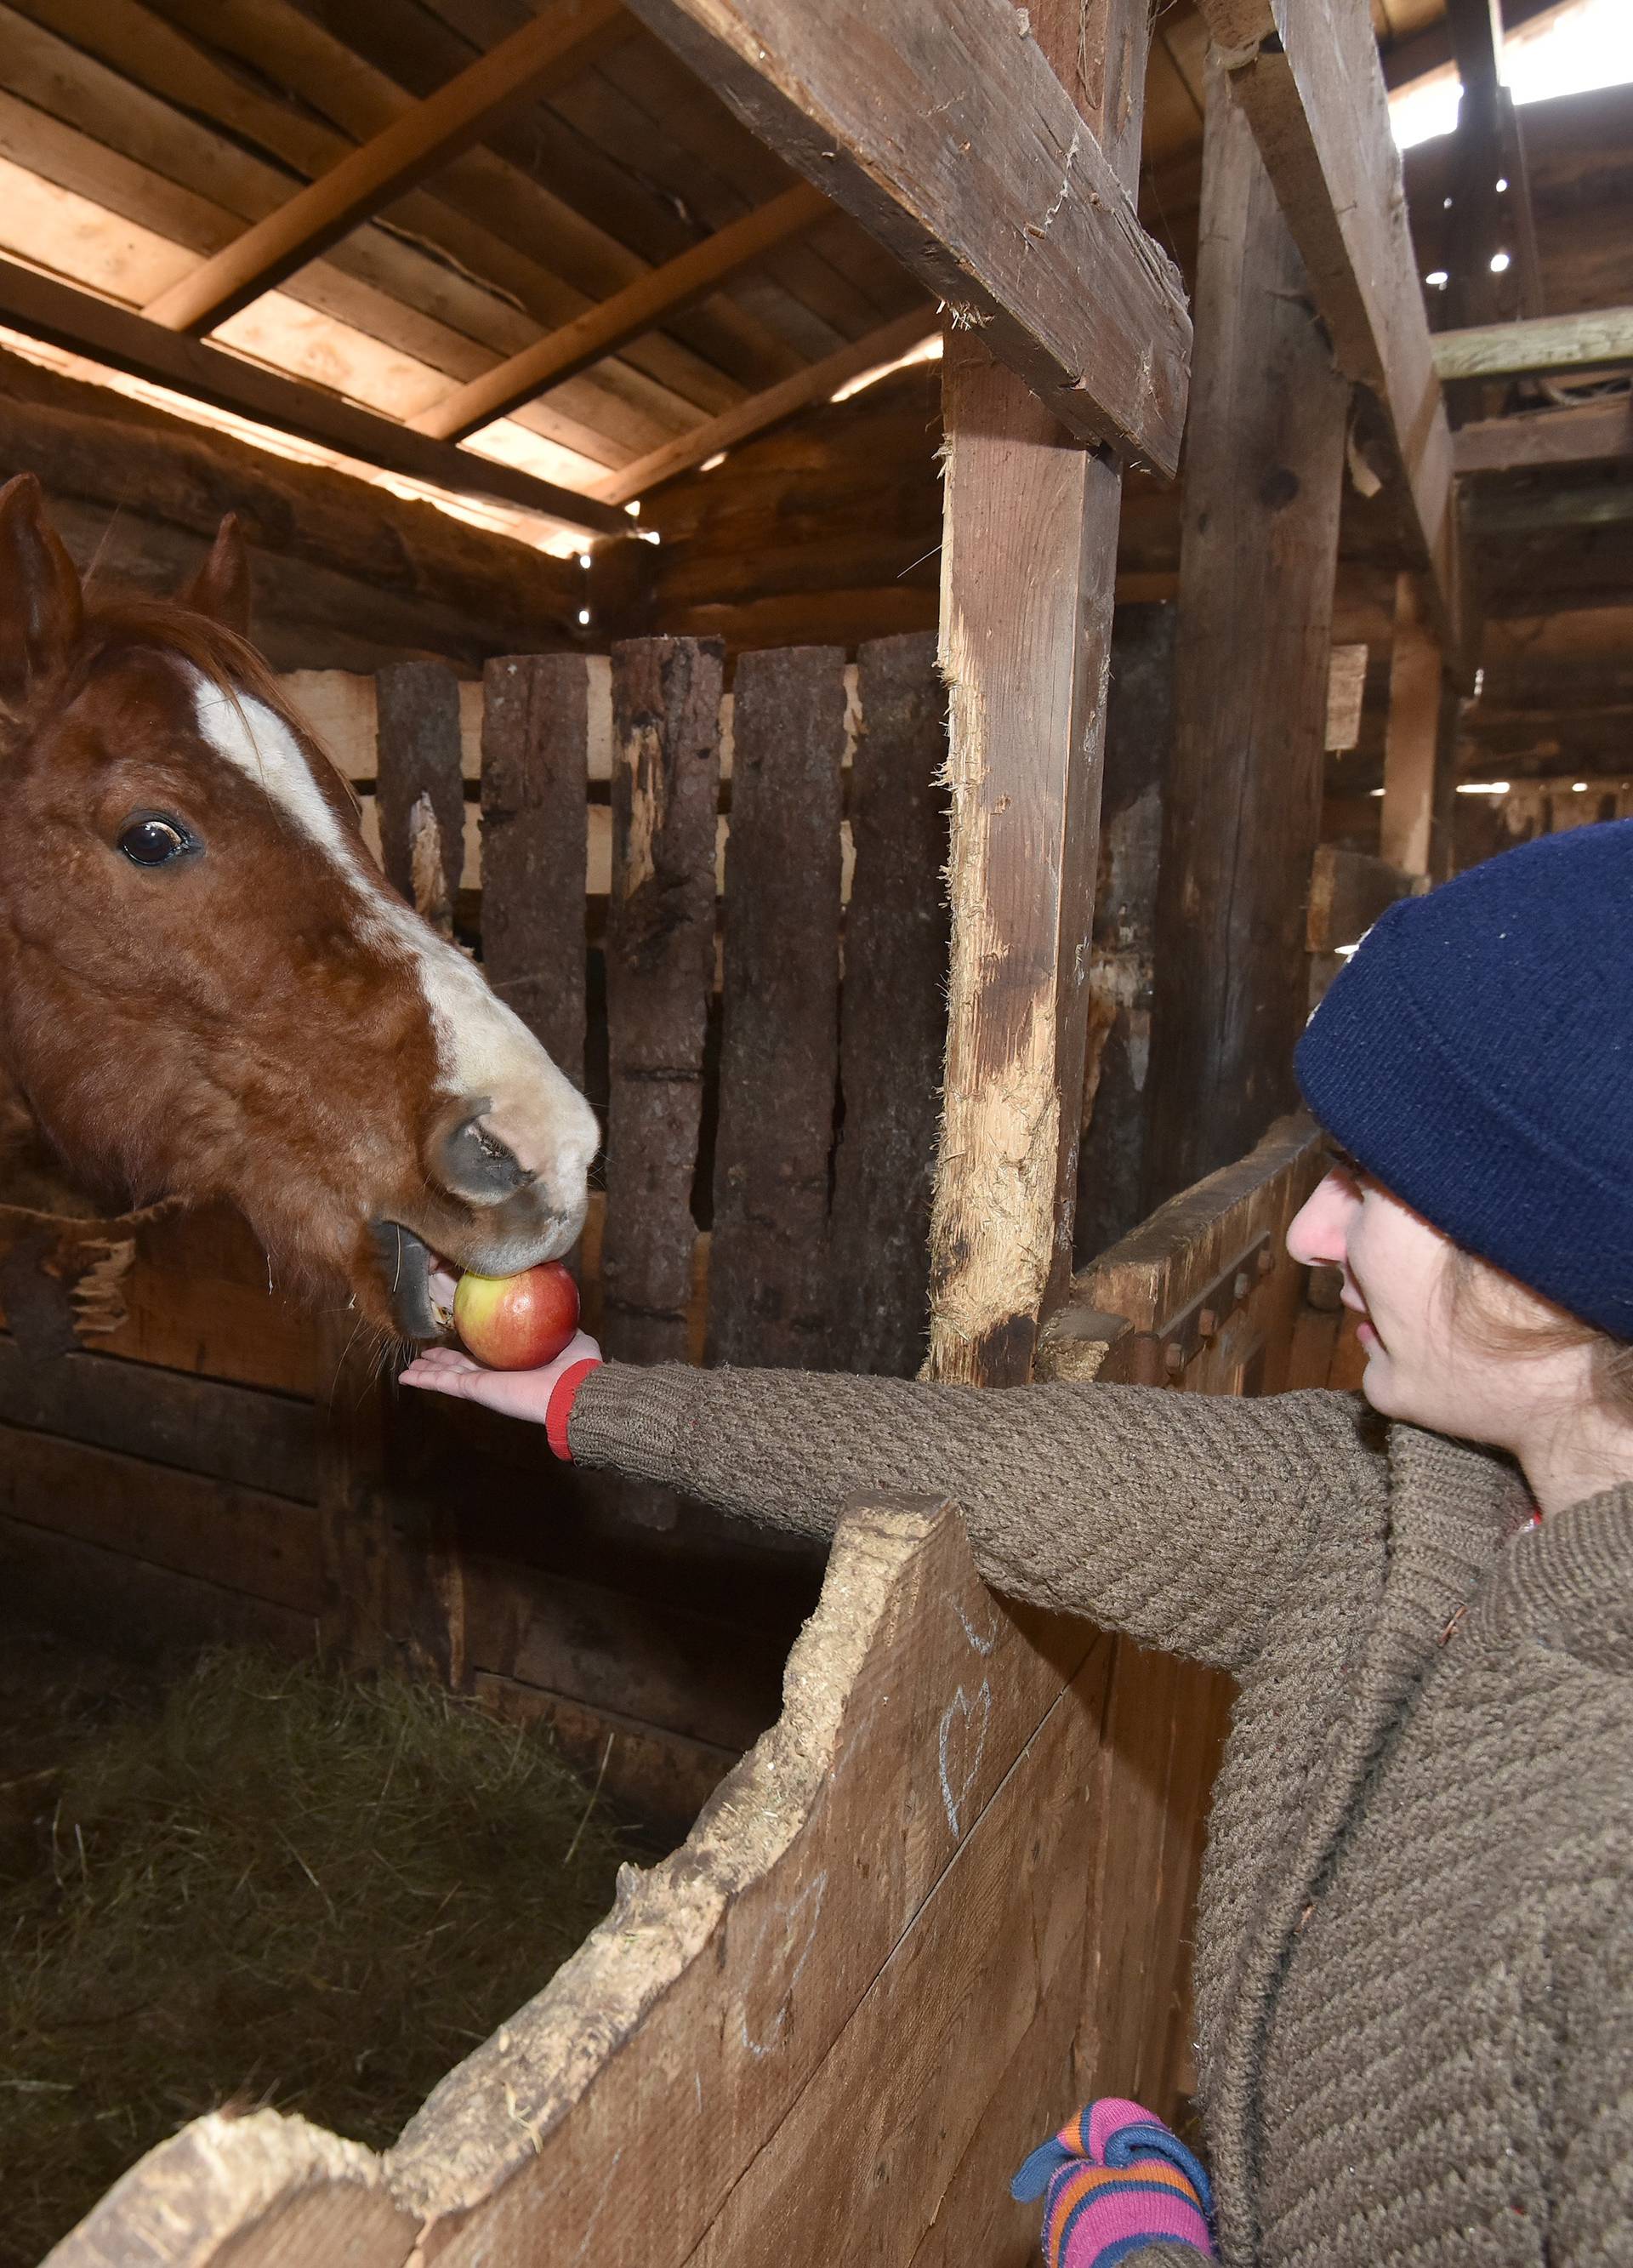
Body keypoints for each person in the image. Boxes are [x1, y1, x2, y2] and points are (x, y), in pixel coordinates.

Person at [403, 818, 1633, 2267]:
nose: (1308, 1233)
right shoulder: (1403, 1504)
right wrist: (591, 1404)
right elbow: (994, 1461)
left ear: (1551, 1254)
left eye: (1376, 1183)